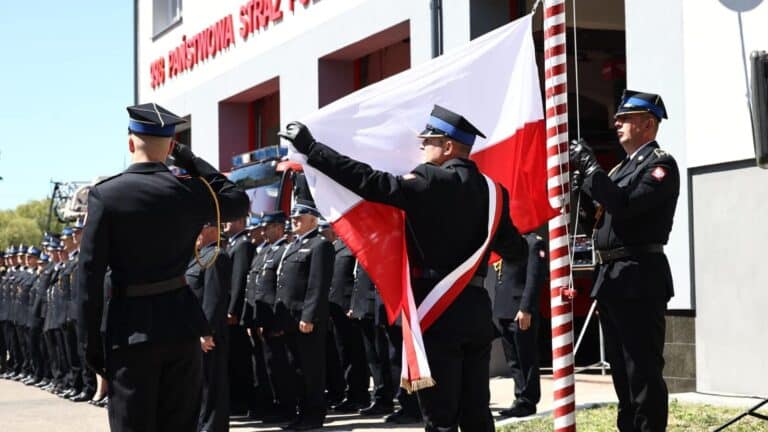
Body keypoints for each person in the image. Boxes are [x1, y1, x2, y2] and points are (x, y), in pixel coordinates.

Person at [279, 105, 527, 431]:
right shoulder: (494, 192)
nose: (422, 147)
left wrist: (313, 149)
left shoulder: (429, 180)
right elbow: (516, 250)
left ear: (448, 146)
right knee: (477, 414)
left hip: (435, 310)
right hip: (477, 310)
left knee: (440, 418)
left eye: (428, 141)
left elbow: (369, 181)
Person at [76, 103, 249, 432]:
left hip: (129, 331)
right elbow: (238, 199)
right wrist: (189, 159)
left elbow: (89, 277)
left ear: (130, 143)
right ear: (170, 146)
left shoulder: (106, 195)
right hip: (182, 328)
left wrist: (91, 347)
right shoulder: (190, 191)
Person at [569, 90, 679, 432]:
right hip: (613, 276)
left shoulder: (660, 165)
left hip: (638, 276)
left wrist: (592, 169)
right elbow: (602, 220)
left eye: (626, 118)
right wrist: (585, 193)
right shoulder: (621, 168)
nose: (617, 124)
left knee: (641, 370)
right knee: (620, 370)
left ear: (648, 124)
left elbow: (627, 206)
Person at [273, 200, 335, 431]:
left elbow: (317, 285)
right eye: (293, 218)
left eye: (299, 218)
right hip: (290, 320)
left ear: (313, 219)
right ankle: (302, 413)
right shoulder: (294, 245)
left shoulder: (320, 245)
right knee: (296, 369)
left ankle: (314, 415)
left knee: (311, 370)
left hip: (306, 320)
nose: (294, 221)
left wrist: (308, 317)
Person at [186, 224, 233, 432]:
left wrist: (206, 333)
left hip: (207, 334)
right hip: (195, 333)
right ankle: (202, 424)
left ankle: (212, 427)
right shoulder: (198, 257)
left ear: (213, 229)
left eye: (200, 228)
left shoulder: (215, 255)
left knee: (211, 384)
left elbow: (214, 299)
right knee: (199, 384)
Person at [494, 232, 546, 418]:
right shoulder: (507, 242)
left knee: (526, 356)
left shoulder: (532, 243)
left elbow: (534, 278)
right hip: (503, 309)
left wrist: (526, 308)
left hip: (520, 310)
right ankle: (519, 396)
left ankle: (528, 400)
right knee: (513, 360)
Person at [223, 216, 261, 417]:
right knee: (233, 358)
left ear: (239, 221)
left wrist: (233, 310)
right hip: (231, 312)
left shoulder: (243, 244)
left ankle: (242, 401)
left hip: (236, 314)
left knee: (240, 359)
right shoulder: (234, 243)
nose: (224, 223)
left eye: (229, 220)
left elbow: (239, 280)